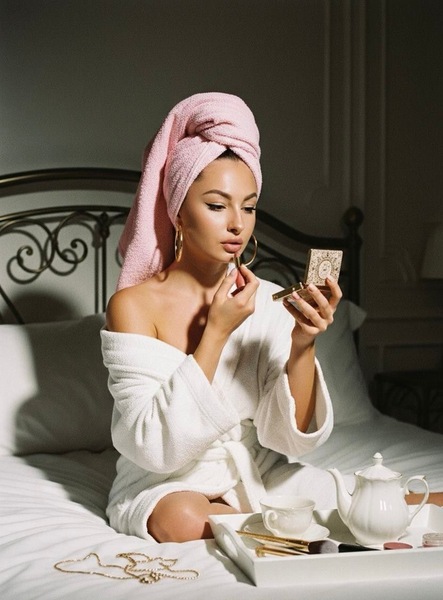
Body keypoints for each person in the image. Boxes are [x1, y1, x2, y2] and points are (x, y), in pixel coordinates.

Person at [101, 92, 342, 543]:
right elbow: (152, 448)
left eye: (248, 207)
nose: (237, 224)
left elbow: (288, 440)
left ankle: (260, 524)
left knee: (358, 500)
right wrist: (215, 331)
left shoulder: (267, 300)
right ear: (178, 212)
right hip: (165, 481)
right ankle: (277, 530)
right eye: (216, 205)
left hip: (252, 471)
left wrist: (303, 343)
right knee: (180, 518)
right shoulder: (133, 305)